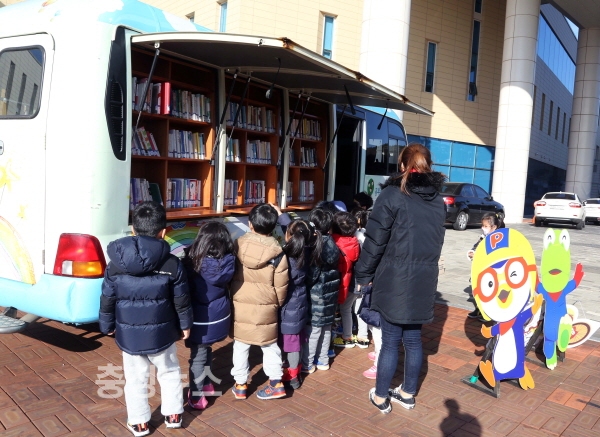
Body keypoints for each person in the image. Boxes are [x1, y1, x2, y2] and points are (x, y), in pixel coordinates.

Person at [355, 144, 446, 413]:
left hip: (394, 278)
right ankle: (407, 393)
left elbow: (375, 241)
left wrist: (363, 274)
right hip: (424, 278)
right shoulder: (437, 200)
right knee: (414, 340)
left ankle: (381, 396)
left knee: (391, 340)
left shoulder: (392, 195)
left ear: (403, 165)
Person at [99, 201, 193, 436]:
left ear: (133, 230)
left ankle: (139, 422)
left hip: (129, 336)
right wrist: (185, 324)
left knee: (135, 378)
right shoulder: (172, 263)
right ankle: (173, 414)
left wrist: (106, 325)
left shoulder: (115, 265)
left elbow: (107, 298)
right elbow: (181, 298)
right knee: (169, 371)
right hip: (163, 333)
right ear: (163, 232)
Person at [230, 203, 289, 400]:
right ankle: (276, 383)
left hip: (240, 302)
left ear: (250, 224)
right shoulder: (278, 252)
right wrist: (276, 303)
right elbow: (281, 284)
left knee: (240, 345)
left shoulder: (237, 245)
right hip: (267, 304)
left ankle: (240, 384)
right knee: (270, 345)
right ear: (273, 226)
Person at [183, 221, 236, 410]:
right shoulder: (230, 261)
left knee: (198, 355)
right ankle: (206, 384)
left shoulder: (191, 262)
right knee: (206, 350)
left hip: (199, 318)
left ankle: (197, 396)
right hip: (220, 315)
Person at [273, 208, 323, 389]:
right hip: (299, 302)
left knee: (291, 342)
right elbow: (296, 231)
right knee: (295, 339)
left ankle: (293, 376)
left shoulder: (289, 258)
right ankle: (293, 368)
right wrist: (281, 215)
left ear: (290, 236)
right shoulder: (309, 247)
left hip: (290, 305)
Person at [301, 207, 341, 373]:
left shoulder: (316, 246)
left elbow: (312, 275)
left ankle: (308, 363)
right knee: (326, 328)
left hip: (316, 295)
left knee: (313, 330)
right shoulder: (332, 243)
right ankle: (323, 360)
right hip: (330, 294)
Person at [466, 213, 505, 321]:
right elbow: (476, 247)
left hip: (493, 271)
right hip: (481, 269)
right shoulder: (483, 238)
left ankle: (489, 313)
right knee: (480, 290)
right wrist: (472, 252)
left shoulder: (498, 239)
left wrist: (479, 255)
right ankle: (479, 309)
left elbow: (496, 255)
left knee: (490, 292)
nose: (483, 228)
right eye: (482, 225)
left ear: (494, 227)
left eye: (486, 226)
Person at [332, 211, 361, 348]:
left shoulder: (334, 242)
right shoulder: (356, 242)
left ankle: (347, 336)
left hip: (341, 283)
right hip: (354, 282)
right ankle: (349, 332)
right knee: (348, 308)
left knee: (343, 309)